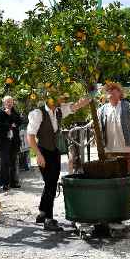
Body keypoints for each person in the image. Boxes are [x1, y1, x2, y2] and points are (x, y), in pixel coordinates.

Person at [27, 94, 90, 231]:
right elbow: (30, 136)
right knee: (50, 183)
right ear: (48, 99)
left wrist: (91, 95)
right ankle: (48, 219)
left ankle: (43, 212)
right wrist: (38, 155)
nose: (60, 100)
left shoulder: (59, 111)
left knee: (51, 183)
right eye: (57, 97)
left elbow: (77, 105)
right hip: (43, 151)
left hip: (54, 152)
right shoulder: (38, 113)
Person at [97, 83, 130, 216]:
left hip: (127, 148)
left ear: (120, 93)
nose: (111, 92)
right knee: (112, 178)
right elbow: (96, 127)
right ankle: (114, 205)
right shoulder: (102, 110)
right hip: (109, 149)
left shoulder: (128, 107)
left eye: (114, 90)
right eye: (109, 90)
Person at [0, 95, 24, 192]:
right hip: (3, 141)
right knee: (5, 163)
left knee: (13, 161)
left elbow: (20, 121)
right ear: (4, 102)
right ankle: (5, 184)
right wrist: (11, 124)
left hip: (14, 141)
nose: (9, 103)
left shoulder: (15, 111)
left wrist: (10, 116)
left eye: (11, 102)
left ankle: (13, 182)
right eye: (8, 102)